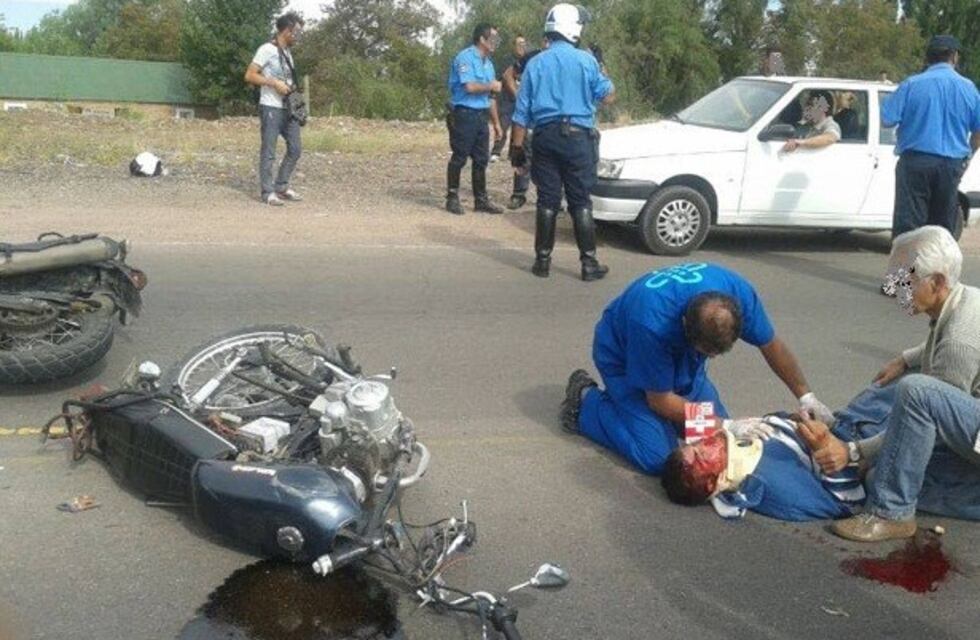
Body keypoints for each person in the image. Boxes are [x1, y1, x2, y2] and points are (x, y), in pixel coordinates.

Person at [559, 262, 834, 475]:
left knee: (722, 443)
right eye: (706, 352)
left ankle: (657, 417)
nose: (711, 359)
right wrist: (727, 424)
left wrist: (806, 396)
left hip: (680, 360)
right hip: (623, 357)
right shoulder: (651, 323)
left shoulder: (737, 295)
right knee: (657, 458)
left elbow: (772, 345)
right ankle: (586, 403)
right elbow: (659, 400)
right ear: (684, 327)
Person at [812, 227, 980, 542]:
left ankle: (892, 513)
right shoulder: (965, 299)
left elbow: (934, 417)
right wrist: (905, 359)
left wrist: (854, 452)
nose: (895, 289)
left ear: (938, 282)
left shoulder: (961, 341)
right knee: (880, 475)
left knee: (916, 392)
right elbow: (937, 345)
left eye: (904, 281)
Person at [510, 4, 615, 281]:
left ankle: (542, 262)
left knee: (547, 200)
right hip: (578, 139)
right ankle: (588, 264)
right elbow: (608, 96)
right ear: (574, 29)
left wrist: (517, 150)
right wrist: (601, 66)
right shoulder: (587, 61)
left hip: (544, 138)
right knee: (580, 201)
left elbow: (521, 113)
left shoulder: (535, 63)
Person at [661, 415, 865, 522]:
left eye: (696, 444)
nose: (706, 440)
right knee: (652, 455)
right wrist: (826, 446)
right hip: (860, 436)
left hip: (848, 418)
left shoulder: (735, 444)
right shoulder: (774, 485)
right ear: (710, 484)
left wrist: (801, 407)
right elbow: (847, 503)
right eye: (701, 453)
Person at [882, 35, 980, 239]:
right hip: (951, 164)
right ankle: (936, 270)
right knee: (942, 229)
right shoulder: (969, 88)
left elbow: (887, 119)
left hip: (915, 163)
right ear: (954, 57)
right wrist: (967, 157)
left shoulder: (911, 84)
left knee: (908, 226)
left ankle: (907, 271)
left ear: (928, 58)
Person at [244, 12, 305, 207]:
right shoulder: (266, 49)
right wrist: (273, 83)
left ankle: (281, 186)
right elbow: (250, 75)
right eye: (296, 32)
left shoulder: (287, 53)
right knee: (269, 151)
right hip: (270, 106)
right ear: (287, 30)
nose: (298, 36)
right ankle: (268, 192)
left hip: (288, 109)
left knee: (295, 149)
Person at [445, 24, 505, 216]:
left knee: (481, 159)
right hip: (464, 114)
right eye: (493, 39)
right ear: (482, 39)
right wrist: (492, 85)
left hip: (481, 116)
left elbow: (490, 97)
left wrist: (496, 124)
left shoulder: (488, 62)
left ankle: (481, 200)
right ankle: (452, 197)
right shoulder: (466, 57)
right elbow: (469, 87)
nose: (496, 43)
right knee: (460, 156)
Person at [501, 43, 545, 210]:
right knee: (522, 157)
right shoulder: (532, 57)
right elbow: (507, 75)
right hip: (528, 120)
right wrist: (518, 96)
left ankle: (550, 199)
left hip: (551, 121)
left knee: (550, 162)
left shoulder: (568, 57)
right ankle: (519, 194)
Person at [490, 35, 527, 163]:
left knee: (519, 125)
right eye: (519, 44)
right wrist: (516, 95)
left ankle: (513, 153)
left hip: (521, 98)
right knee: (503, 125)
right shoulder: (508, 60)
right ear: (513, 46)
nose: (522, 46)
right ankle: (496, 152)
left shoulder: (527, 60)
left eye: (524, 44)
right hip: (506, 98)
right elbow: (507, 77)